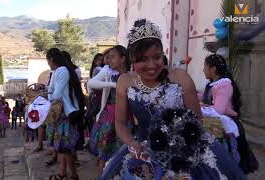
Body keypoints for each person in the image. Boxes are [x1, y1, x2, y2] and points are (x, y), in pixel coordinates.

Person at [100, 19, 246, 180]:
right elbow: (120, 122)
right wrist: (132, 143)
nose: (151, 65)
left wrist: (180, 144)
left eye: (157, 57)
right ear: (132, 60)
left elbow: (196, 120)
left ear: (163, 55)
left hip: (185, 150)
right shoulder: (125, 81)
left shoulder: (181, 78)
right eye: (142, 59)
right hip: (143, 150)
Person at [200, 54, 258, 174]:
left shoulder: (224, 85)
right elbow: (206, 98)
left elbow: (218, 110)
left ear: (213, 69)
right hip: (216, 123)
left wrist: (203, 107)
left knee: (224, 163)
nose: (203, 70)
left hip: (226, 125)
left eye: (205, 66)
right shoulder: (213, 84)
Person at [87, 45, 131, 176]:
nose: (109, 60)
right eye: (108, 57)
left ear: (123, 59)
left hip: (126, 116)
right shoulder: (108, 72)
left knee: (123, 152)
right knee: (104, 151)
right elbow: (91, 83)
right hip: (111, 114)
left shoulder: (131, 74)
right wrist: (113, 85)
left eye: (113, 57)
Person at [46, 48, 85, 180]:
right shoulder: (59, 70)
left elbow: (55, 94)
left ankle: (74, 175)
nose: (48, 63)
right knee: (62, 147)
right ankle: (64, 173)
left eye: (48, 60)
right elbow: (51, 90)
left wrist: (47, 96)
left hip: (65, 114)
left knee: (65, 148)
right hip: (64, 114)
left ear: (51, 58)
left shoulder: (62, 70)